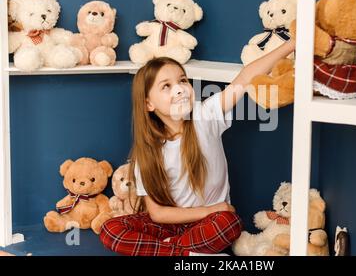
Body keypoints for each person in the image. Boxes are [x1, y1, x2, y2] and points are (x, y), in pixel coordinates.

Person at [99, 40, 296, 256]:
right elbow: (157, 214)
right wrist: (210, 209)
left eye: (182, 80)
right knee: (111, 229)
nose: (180, 89)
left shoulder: (206, 115)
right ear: (148, 104)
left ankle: (166, 250)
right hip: (173, 224)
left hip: (210, 224)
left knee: (230, 223)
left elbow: (246, 77)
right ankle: (186, 254)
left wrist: (291, 45)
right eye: (166, 86)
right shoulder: (148, 152)